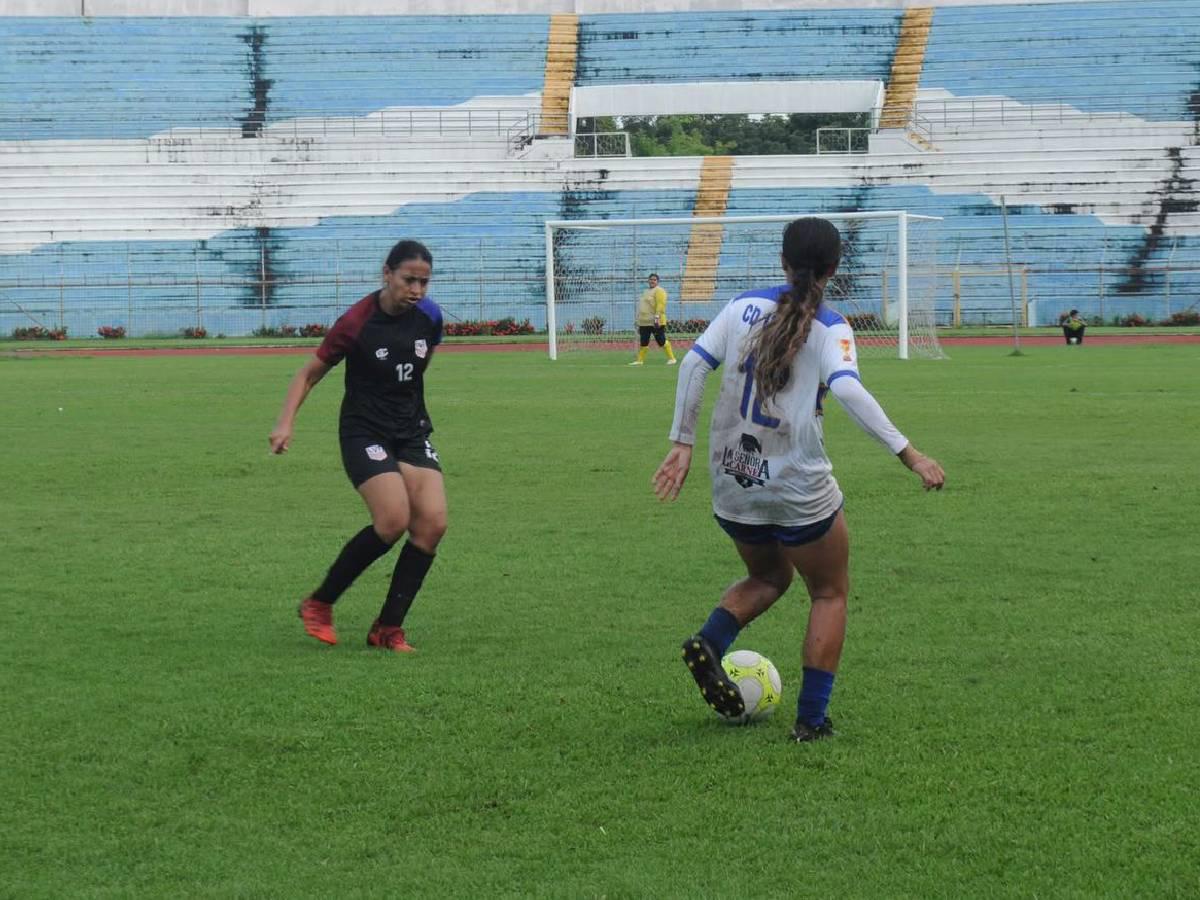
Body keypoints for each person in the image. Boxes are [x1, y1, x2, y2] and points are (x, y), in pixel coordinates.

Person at [652, 217, 945, 742]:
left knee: (769, 576)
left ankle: (711, 642)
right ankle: (811, 722)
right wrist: (911, 454)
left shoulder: (741, 307)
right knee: (829, 592)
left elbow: (692, 366)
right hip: (796, 484)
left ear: (782, 262)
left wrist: (682, 441)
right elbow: (848, 390)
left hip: (732, 478)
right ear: (833, 268)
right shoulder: (831, 326)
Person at [269, 239, 447, 653]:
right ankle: (320, 602)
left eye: (423, 282)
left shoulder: (430, 316)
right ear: (387, 273)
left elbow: (415, 368)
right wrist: (285, 423)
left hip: (411, 431)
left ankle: (388, 628)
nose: (416, 290)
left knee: (432, 524)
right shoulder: (356, 322)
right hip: (365, 432)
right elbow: (308, 375)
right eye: (408, 280)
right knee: (393, 520)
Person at [629, 273, 677, 366]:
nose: (652, 281)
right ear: (648, 280)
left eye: (654, 280)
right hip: (644, 322)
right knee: (644, 342)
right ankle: (639, 361)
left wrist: (657, 317)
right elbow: (643, 306)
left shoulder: (659, 291)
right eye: (651, 279)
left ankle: (672, 359)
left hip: (655, 321)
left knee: (661, 340)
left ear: (657, 281)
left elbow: (661, 304)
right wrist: (638, 319)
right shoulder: (645, 291)